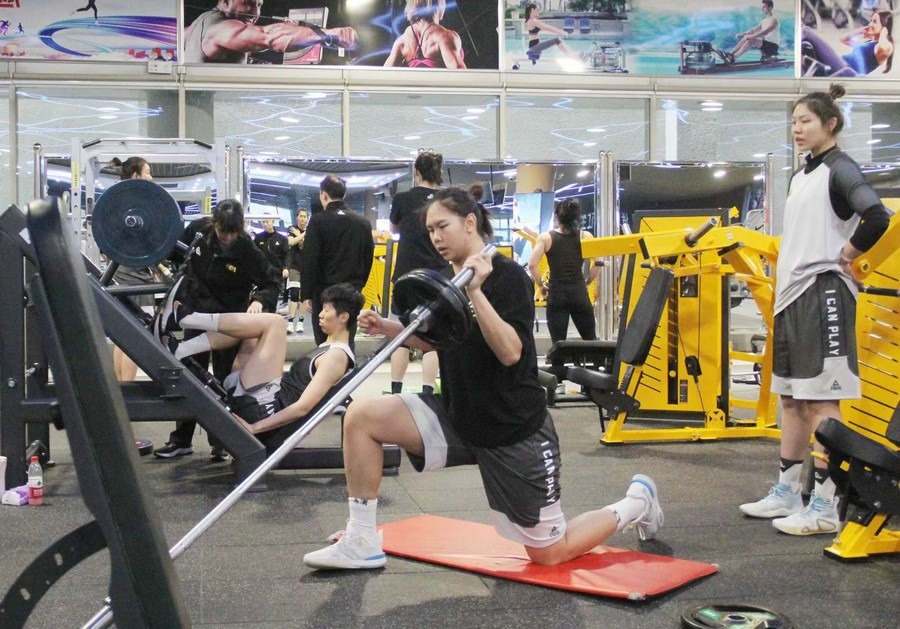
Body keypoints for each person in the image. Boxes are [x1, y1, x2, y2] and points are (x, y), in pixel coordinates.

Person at [302, 187, 663, 571]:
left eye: (442, 226)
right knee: (361, 418)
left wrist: (474, 291)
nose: (435, 237)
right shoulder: (444, 279)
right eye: (430, 230)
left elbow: (510, 352)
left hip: (512, 429)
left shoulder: (508, 277)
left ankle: (636, 503)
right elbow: (437, 339)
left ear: (470, 222)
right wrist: (388, 327)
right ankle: (361, 539)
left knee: (550, 553)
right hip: (458, 417)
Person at [739, 84, 892, 536]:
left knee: (822, 400)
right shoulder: (800, 175)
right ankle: (788, 491)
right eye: (793, 122)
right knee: (791, 398)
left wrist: (846, 255)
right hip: (792, 295)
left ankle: (825, 505)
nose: (797, 129)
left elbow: (877, 216)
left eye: (805, 121)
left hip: (823, 292)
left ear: (831, 123)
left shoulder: (841, 169)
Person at [153, 199, 282, 462]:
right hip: (196, 314)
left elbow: (271, 281)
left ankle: (222, 440)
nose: (227, 237)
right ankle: (181, 440)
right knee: (189, 377)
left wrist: (259, 301)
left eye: (232, 233)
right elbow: (174, 252)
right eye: (223, 231)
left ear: (240, 228)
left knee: (224, 381)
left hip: (227, 319)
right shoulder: (198, 232)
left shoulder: (247, 249)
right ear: (215, 224)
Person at [170, 283, 363, 455]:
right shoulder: (328, 348)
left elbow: (302, 408)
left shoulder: (337, 356)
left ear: (343, 317)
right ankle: (181, 349)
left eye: (327, 310)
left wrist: (255, 428)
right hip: (257, 398)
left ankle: (189, 319)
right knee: (251, 323)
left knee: (276, 323)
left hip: (263, 409)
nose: (320, 314)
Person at [107, 157, 171, 382]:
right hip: (136, 278)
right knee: (138, 337)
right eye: (148, 172)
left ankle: (121, 388)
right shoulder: (138, 205)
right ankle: (127, 387)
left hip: (121, 274)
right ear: (136, 175)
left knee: (123, 336)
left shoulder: (118, 201)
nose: (151, 177)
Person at [388, 150, 447, 395]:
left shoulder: (403, 198)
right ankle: (427, 392)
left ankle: (396, 390)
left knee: (402, 334)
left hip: (406, 275)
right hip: (437, 276)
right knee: (432, 339)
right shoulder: (446, 200)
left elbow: (393, 229)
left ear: (417, 172)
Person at [301, 175, 374, 348]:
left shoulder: (318, 221)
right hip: (351, 290)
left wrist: (306, 294)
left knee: (324, 341)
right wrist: (358, 285)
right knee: (347, 338)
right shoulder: (362, 222)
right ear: (344, 194)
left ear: (324, 195)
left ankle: (326, 365)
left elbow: (310, 259)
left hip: (324, 291)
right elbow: (368, 257)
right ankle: (347, 366)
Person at [184, 0, 358, 64]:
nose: (254, 13)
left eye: (259, 5)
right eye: (248, 3)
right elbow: (269, 37)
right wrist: (329, 34)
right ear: (225, 1)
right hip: (205, 114)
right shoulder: (220, 28)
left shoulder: (197, 25)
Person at [528, 199, 601, 344]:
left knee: (558, 343)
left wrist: (541, 285)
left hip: (556, 294)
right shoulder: (585, 236)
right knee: (590, 340)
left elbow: (532, 265)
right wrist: (587, 282)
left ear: (557, 217)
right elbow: (598, 263)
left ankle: (559, 360)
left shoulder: (545, 238)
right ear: (577, 217)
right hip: (579, 292)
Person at [384, 0, 466, 69]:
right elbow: (461, 75)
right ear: (438, 5)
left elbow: (383, 75)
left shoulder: (402, 41)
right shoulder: (444, 37)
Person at [253, 217, 289, 312]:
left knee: (272, 297)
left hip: (276, 274)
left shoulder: (282, 239)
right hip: (261, 273)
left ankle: (271, 314)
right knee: (262, 298)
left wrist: (286, 268)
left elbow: (286, 255)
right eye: (263, 222)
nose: (265, 224)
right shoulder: (258, 238)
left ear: (273, 222)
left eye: (267, 222)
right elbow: (253, 254)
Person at [286, 208, 309, 334]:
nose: (302, 218)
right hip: (294, 266)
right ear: (297, 217)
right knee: (294, 293)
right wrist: (303, 235)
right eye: (300, 216)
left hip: (307, 267)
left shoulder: (311, 231)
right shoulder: (291, 229)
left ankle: (301, 322)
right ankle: (290, 322)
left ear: (307, 218)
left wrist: (300, 235)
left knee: (304, 296)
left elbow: (307, 247)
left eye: (304, 216)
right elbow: (291, 242)